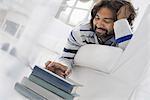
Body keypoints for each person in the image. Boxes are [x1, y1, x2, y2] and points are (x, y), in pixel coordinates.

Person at [45, 0, 136, 78]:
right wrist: (62, 67)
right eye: (97, 18)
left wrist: (122, 22)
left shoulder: (123, 33)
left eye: (107, 21)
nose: (99, 24)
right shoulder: (80, 33)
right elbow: (66, 58)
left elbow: (130, 57)